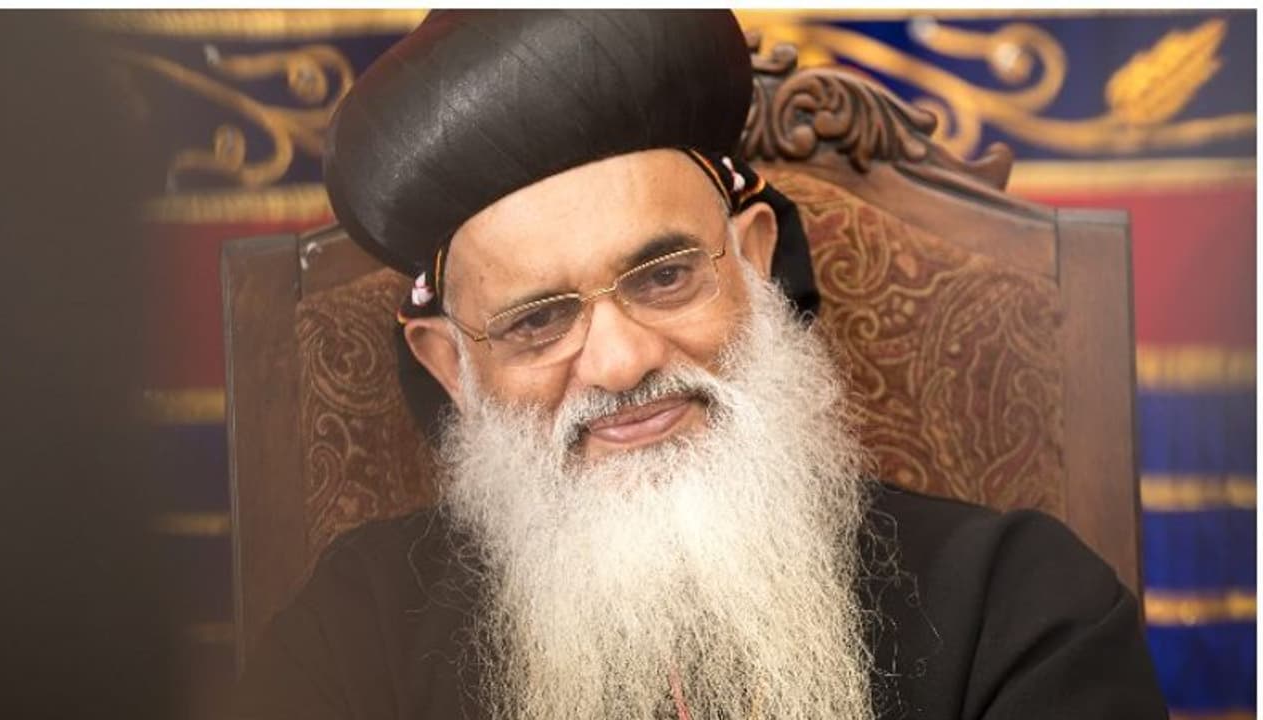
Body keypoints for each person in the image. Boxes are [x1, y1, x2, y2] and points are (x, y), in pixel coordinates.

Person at [233, 10, 1167, 720]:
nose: (620, 361)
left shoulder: (1020, 606)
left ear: (754, 262)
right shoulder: (351, 636)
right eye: (538, 322)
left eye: (666, 276)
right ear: (450, 367)